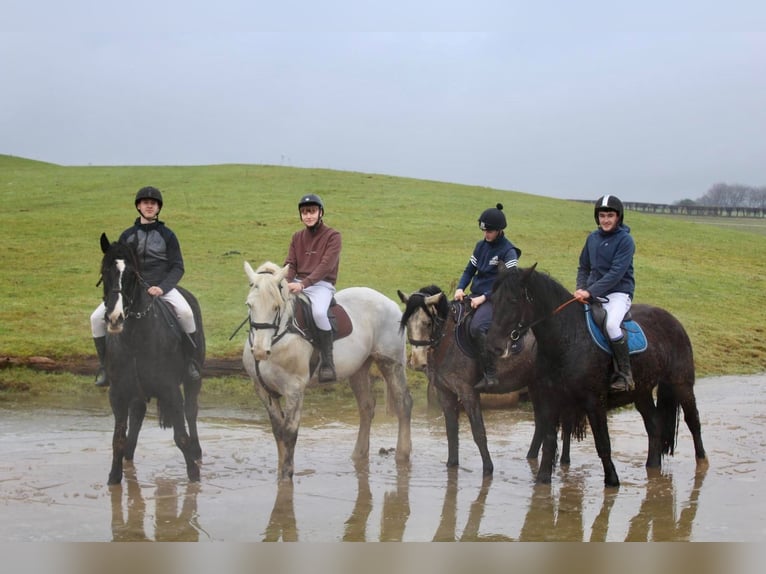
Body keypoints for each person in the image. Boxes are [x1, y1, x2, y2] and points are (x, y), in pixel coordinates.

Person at [90, 186, 200, 387]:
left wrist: (162, 287)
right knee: (96, 318)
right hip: (131, 289)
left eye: (153, 203)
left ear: (158, 208)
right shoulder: (127, 236)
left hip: (161, 286)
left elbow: (178, 267)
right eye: (145, 203)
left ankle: (190, 363)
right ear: (138, 206)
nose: (149, 206)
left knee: (186, 313)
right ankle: (106, 367)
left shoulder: (168, 235)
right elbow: (117, 266)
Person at [454, 203, 521, 391]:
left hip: (496, 299)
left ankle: (490, 374)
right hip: (475, 295)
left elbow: (510, 282)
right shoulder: (480, 246)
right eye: (484, 231)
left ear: (500, 230)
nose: (486, 235)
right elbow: (469, 271)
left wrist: (484, 297)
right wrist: (460, 288)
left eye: (490, 231)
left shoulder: (509, 252)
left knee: (476, 328)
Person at [574, 194, 636, 393]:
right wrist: (580, 288)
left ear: (618, 217)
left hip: (618, 293)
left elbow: (615, 274)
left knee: (610, 325)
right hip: (592, 292)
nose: (606, 220)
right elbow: (583, 267)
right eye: (602, 216)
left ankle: (625, 374)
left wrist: (589, 292)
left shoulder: (626, 241)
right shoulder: (592, 238)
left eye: (610, 215)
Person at [284, 193, 342, 383]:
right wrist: (284, 282)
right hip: (298, 283)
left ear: (320, 213)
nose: (308, 216)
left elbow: (326, 265)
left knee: (318, 313)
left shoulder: (333, 236)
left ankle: (327, 362)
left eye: (312, 211)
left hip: (321, 285)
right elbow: (291, 263)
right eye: (304, 212)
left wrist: (303, 284)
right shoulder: (296, 237)